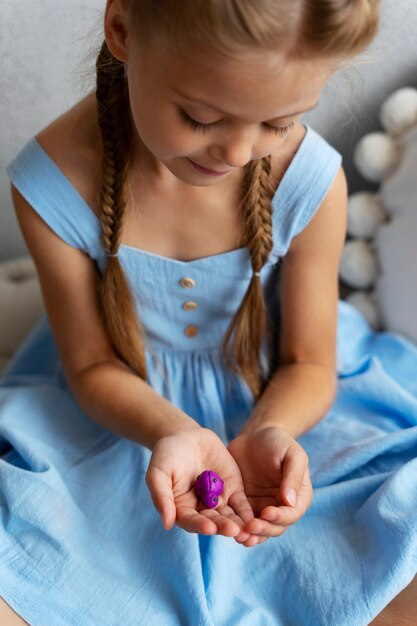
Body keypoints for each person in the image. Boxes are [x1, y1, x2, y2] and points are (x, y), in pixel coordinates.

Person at [1, 0, 417, 624]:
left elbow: (309, 359)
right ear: (121, 29)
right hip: (123, 416)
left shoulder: (309, 181)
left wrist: (268, 431)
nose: (237, 152)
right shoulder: (51, 181)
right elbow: (89, 365)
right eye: (200, 117)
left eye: (278, 124)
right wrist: (172, 431)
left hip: (289, 402)